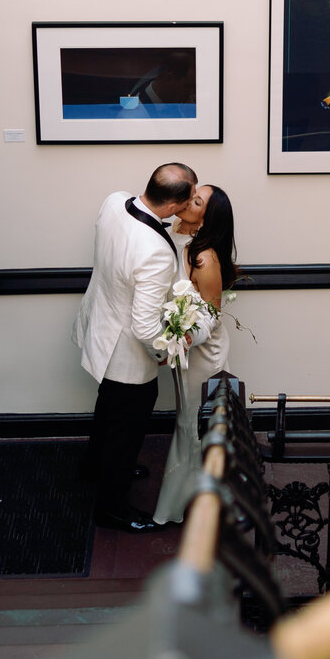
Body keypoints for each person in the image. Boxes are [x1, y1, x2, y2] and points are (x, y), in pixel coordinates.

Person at [72, 161, 213, 531]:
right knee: (126, 430)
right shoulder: (154, 252)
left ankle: (93, 464)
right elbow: (145, 326)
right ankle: (112, 507)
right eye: (192, 196)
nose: (195, 200)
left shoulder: (114, 200)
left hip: (99, 325)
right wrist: (167, 350)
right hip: (126, 357)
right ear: (175, 204)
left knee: (107, 408)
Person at [152, 183, 236, 525]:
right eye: (190, 194)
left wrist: (182, 338)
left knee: (195, 424)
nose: (188, 201)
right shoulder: (173, 235)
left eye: (196, 201)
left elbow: (213, 315)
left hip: (203, 355)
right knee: (186, 421)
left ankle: (202, 504)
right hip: (183, 353)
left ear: (204, 219)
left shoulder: (205, 257)